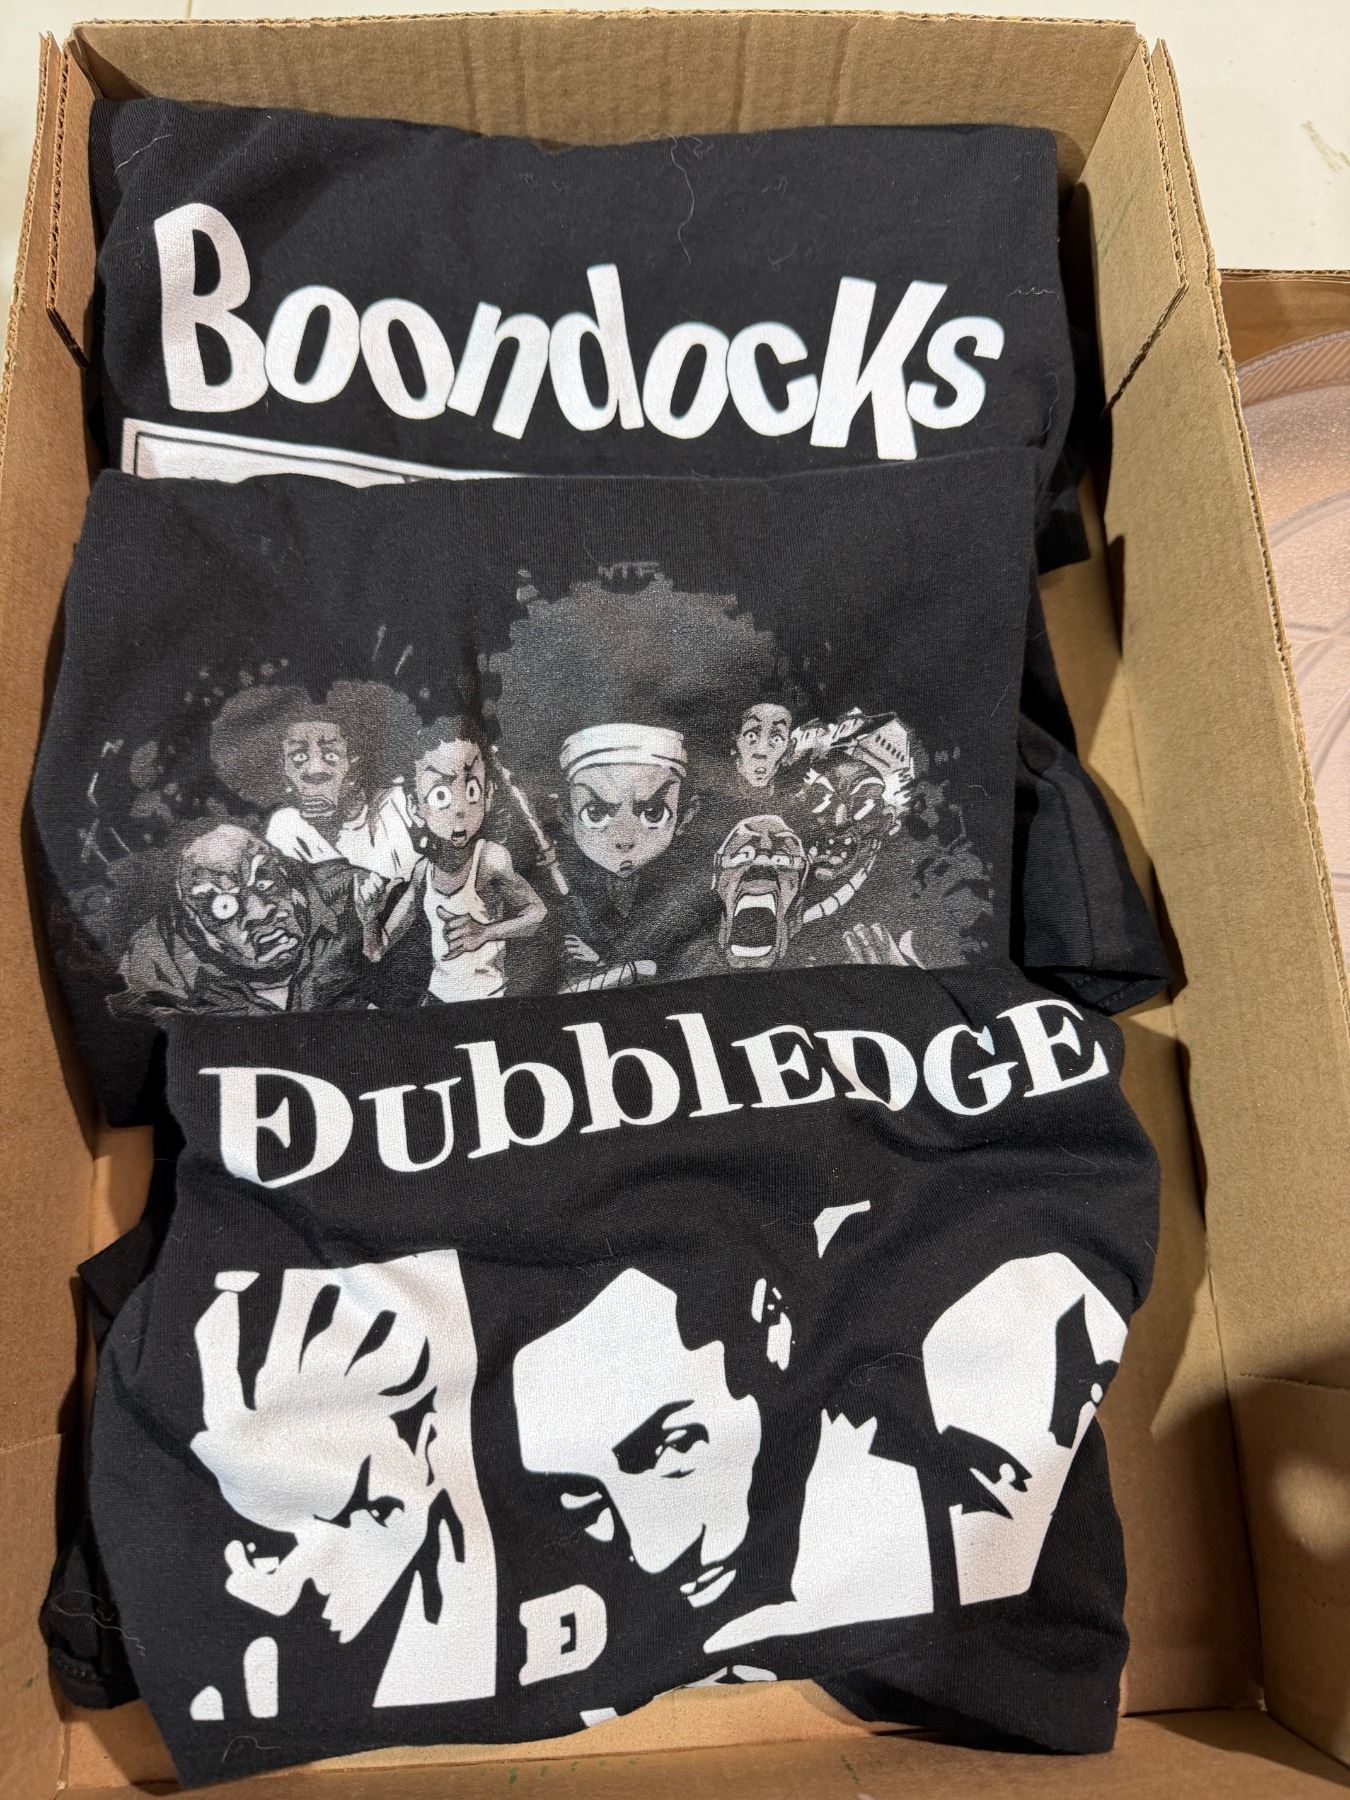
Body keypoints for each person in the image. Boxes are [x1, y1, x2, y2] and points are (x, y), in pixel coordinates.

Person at [110, 820, 374, 1018]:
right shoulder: (157, 960)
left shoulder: (350, 896)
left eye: (264, 883)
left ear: (288, 875)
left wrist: (374, 935)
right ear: (194, 921)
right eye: (224, 906)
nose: (260, 913)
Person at [375, 717, 547, 1003]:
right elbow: (377, 949)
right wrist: (370, 917)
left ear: (487, 795)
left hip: (488, 998)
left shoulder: (491, 858)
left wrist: (485, 933)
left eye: (471, 791)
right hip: (435, 999)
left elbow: (537, 914)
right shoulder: (422, 871)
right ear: (415, 806)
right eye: (440, 795)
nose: (459, 810)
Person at [210, 681, 420, 884]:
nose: (314, 770)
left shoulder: (399, 805)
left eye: (331, 755)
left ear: (357, 761)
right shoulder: (287, 827)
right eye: (299, 756)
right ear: (283, 767)